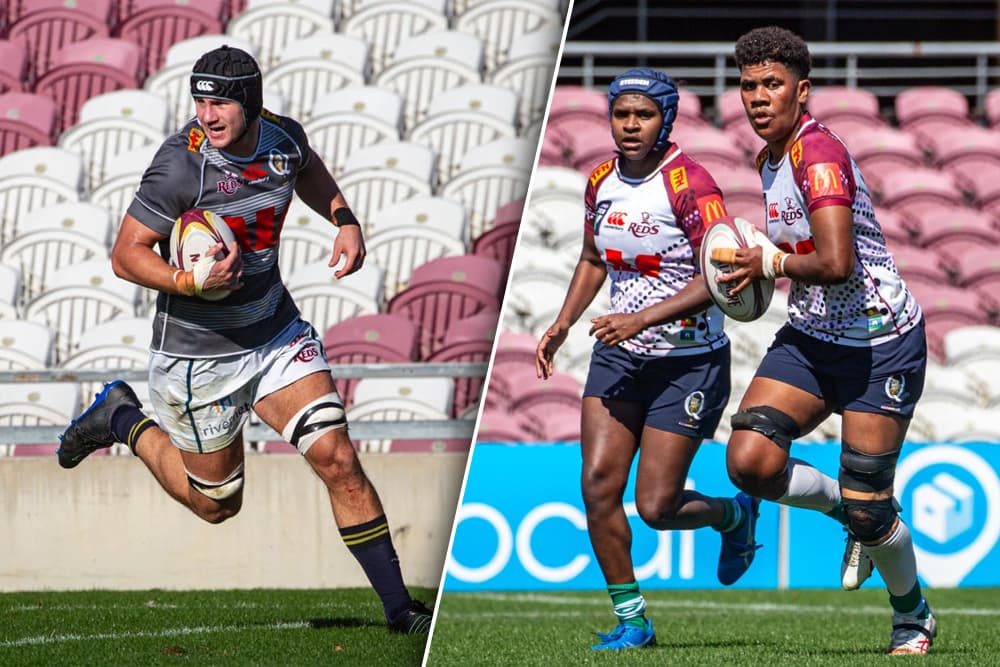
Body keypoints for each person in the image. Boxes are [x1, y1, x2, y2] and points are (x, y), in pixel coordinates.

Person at [56, 45, 432, 635]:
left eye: (220, 102)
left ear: (251, 103)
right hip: (197, 357)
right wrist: (187, 280)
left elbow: (306, 168)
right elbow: (126, 254)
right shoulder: (181, 164)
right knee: (217, 506)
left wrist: (345, 218)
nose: (206, 115)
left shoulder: (282, 137)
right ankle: (120, 417)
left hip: (275, 332)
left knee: (338, 458)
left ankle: (400, 611)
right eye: (199, 102)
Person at [716, 26, 935, 654]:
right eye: (749, 85)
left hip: (880, 342)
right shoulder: (769, 157)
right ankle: (847, 514)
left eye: (772, 85)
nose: (758, 97)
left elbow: (837, 262)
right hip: (813, 336)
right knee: (750, 460)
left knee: (875, 507)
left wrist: (767, 265)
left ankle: (912, 614)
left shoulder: (817, 157)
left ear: (801, 91)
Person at [535, 68, 761, 651]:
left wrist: (640, 318)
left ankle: (733, 517)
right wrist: (561, 325)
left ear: (667, 119)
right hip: (620, 358)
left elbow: (723, 275)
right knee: (597, 486)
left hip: (688, 363)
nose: (630, 125)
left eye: (644, 115)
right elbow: (591, 257)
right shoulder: (601, 179)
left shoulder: (690, 184)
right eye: (621, 114)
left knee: (657, 506)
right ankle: (633, 621)